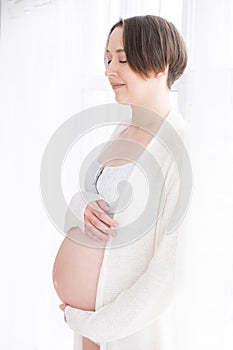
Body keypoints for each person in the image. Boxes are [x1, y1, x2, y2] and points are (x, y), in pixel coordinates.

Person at [54, 15, 188, 350]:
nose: (109, 69)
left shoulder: (182, 148)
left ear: (161, 64)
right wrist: (80, 205)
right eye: (108, 58)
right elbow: (93, 206)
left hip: (125, 331)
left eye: (123, 59)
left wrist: (97, 325)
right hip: (88, 327)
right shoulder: (121, 131)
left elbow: (169, 273)